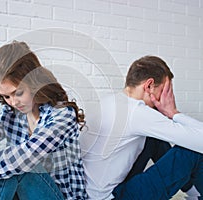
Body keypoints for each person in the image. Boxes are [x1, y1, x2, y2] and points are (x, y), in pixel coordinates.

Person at [0, 41, 87, 200]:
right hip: (21, 195)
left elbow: (25, 158)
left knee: (16, 165)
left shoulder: (62, 115)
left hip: (59, 196)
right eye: (6, 96)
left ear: (34, 84)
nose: (13, 102)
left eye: (18, 93)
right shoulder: (14, 114)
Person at [80, 55, 203, 199]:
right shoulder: (136, 112)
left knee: (153, 140)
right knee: (192, 151)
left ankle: (194, 195)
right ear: (149, 85)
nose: (166, 97)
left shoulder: (109, 101)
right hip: (112, 197)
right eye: (165, 90)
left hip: (91, 192)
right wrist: (173, 113)